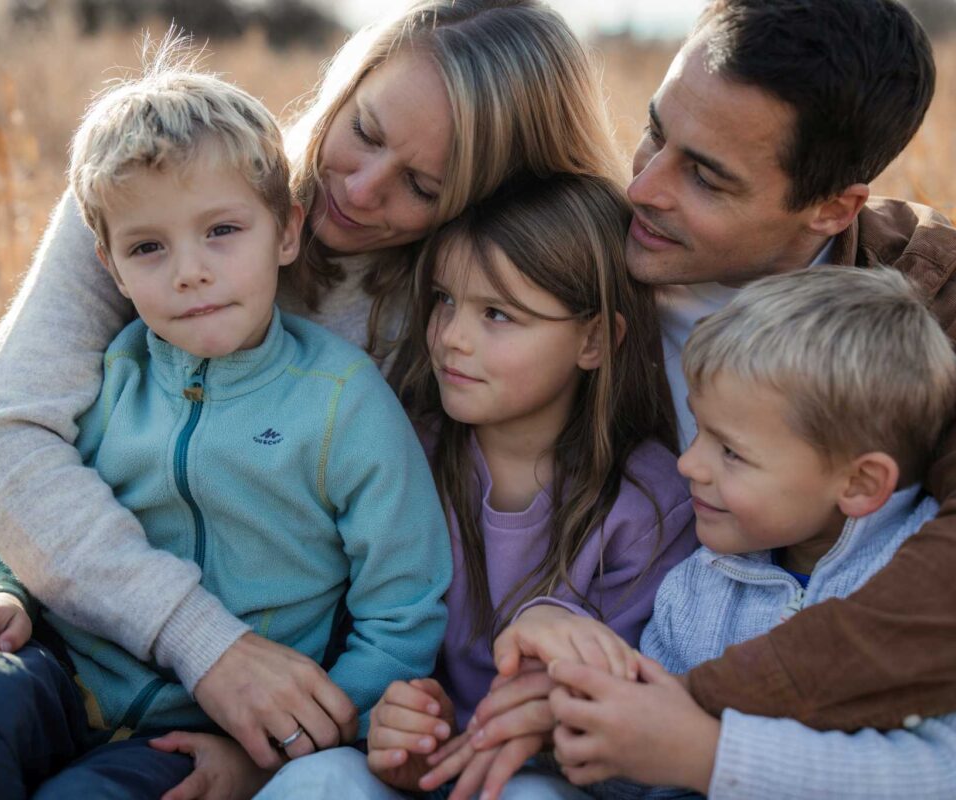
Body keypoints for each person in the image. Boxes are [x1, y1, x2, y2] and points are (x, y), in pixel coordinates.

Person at [0, 0, 624, 774]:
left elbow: (401, 594)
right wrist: (179, 636)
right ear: (350, 82)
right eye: (366, 131)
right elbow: (3, 447)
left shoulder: (445, 336)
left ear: (486, 201)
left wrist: (281, 747)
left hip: (231, 722)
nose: (358, 188)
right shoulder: (162, 175)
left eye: (422, 184)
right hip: (64, 632)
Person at [479, 1, 956, 778]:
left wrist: (693, 710)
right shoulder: (572, 252)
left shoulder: (943, 295)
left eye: (707, 177)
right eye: (656, 131)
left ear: (832, 208)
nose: (644, 187)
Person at [0, 51, 452, 799]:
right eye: (148, 247)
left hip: (197, 732)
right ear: (110, 268)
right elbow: (34, 507)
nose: (189, 271)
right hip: (59, 667)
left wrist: (292, 745)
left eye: (221, 232)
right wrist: (0, 589)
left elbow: (401, 605)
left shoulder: (343, 400)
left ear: (286, 232)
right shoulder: (116, 371)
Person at [534, 267, 956, 798]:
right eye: (698, 429)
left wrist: (709, 755)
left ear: (859, 482)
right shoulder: (700, 585)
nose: (689, 464)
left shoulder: (947, 581)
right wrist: (574, 715)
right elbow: (644, 774)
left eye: (731, 452)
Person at [252, 175, 695, 799]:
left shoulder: (649, 504)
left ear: (594, 339)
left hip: (550, 777)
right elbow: (353, 628)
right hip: (399, 769)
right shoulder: (397, 448)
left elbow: (635, 738)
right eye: (444, 300)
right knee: (318, 781)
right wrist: (393, 724)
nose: (452, 336)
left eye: (497, 314)